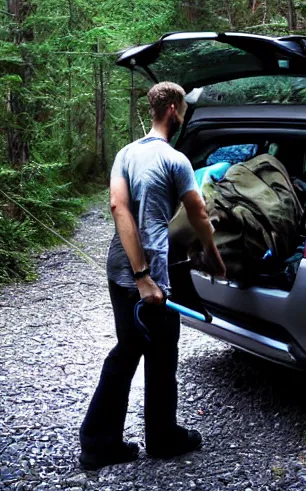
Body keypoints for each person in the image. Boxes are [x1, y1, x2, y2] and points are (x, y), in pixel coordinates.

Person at [79, 82, 226, 470]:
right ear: (175, 110)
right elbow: (197, 213)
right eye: (182, 110)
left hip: (118, 270)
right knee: (160, 355)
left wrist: (133, 272)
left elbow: (117, 206)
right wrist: (209, 255)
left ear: (153, 109)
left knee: (128, 348)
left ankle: (100, 442)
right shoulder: (175, 160)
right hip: (151, 274)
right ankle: (161, 438)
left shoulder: (125, 154)